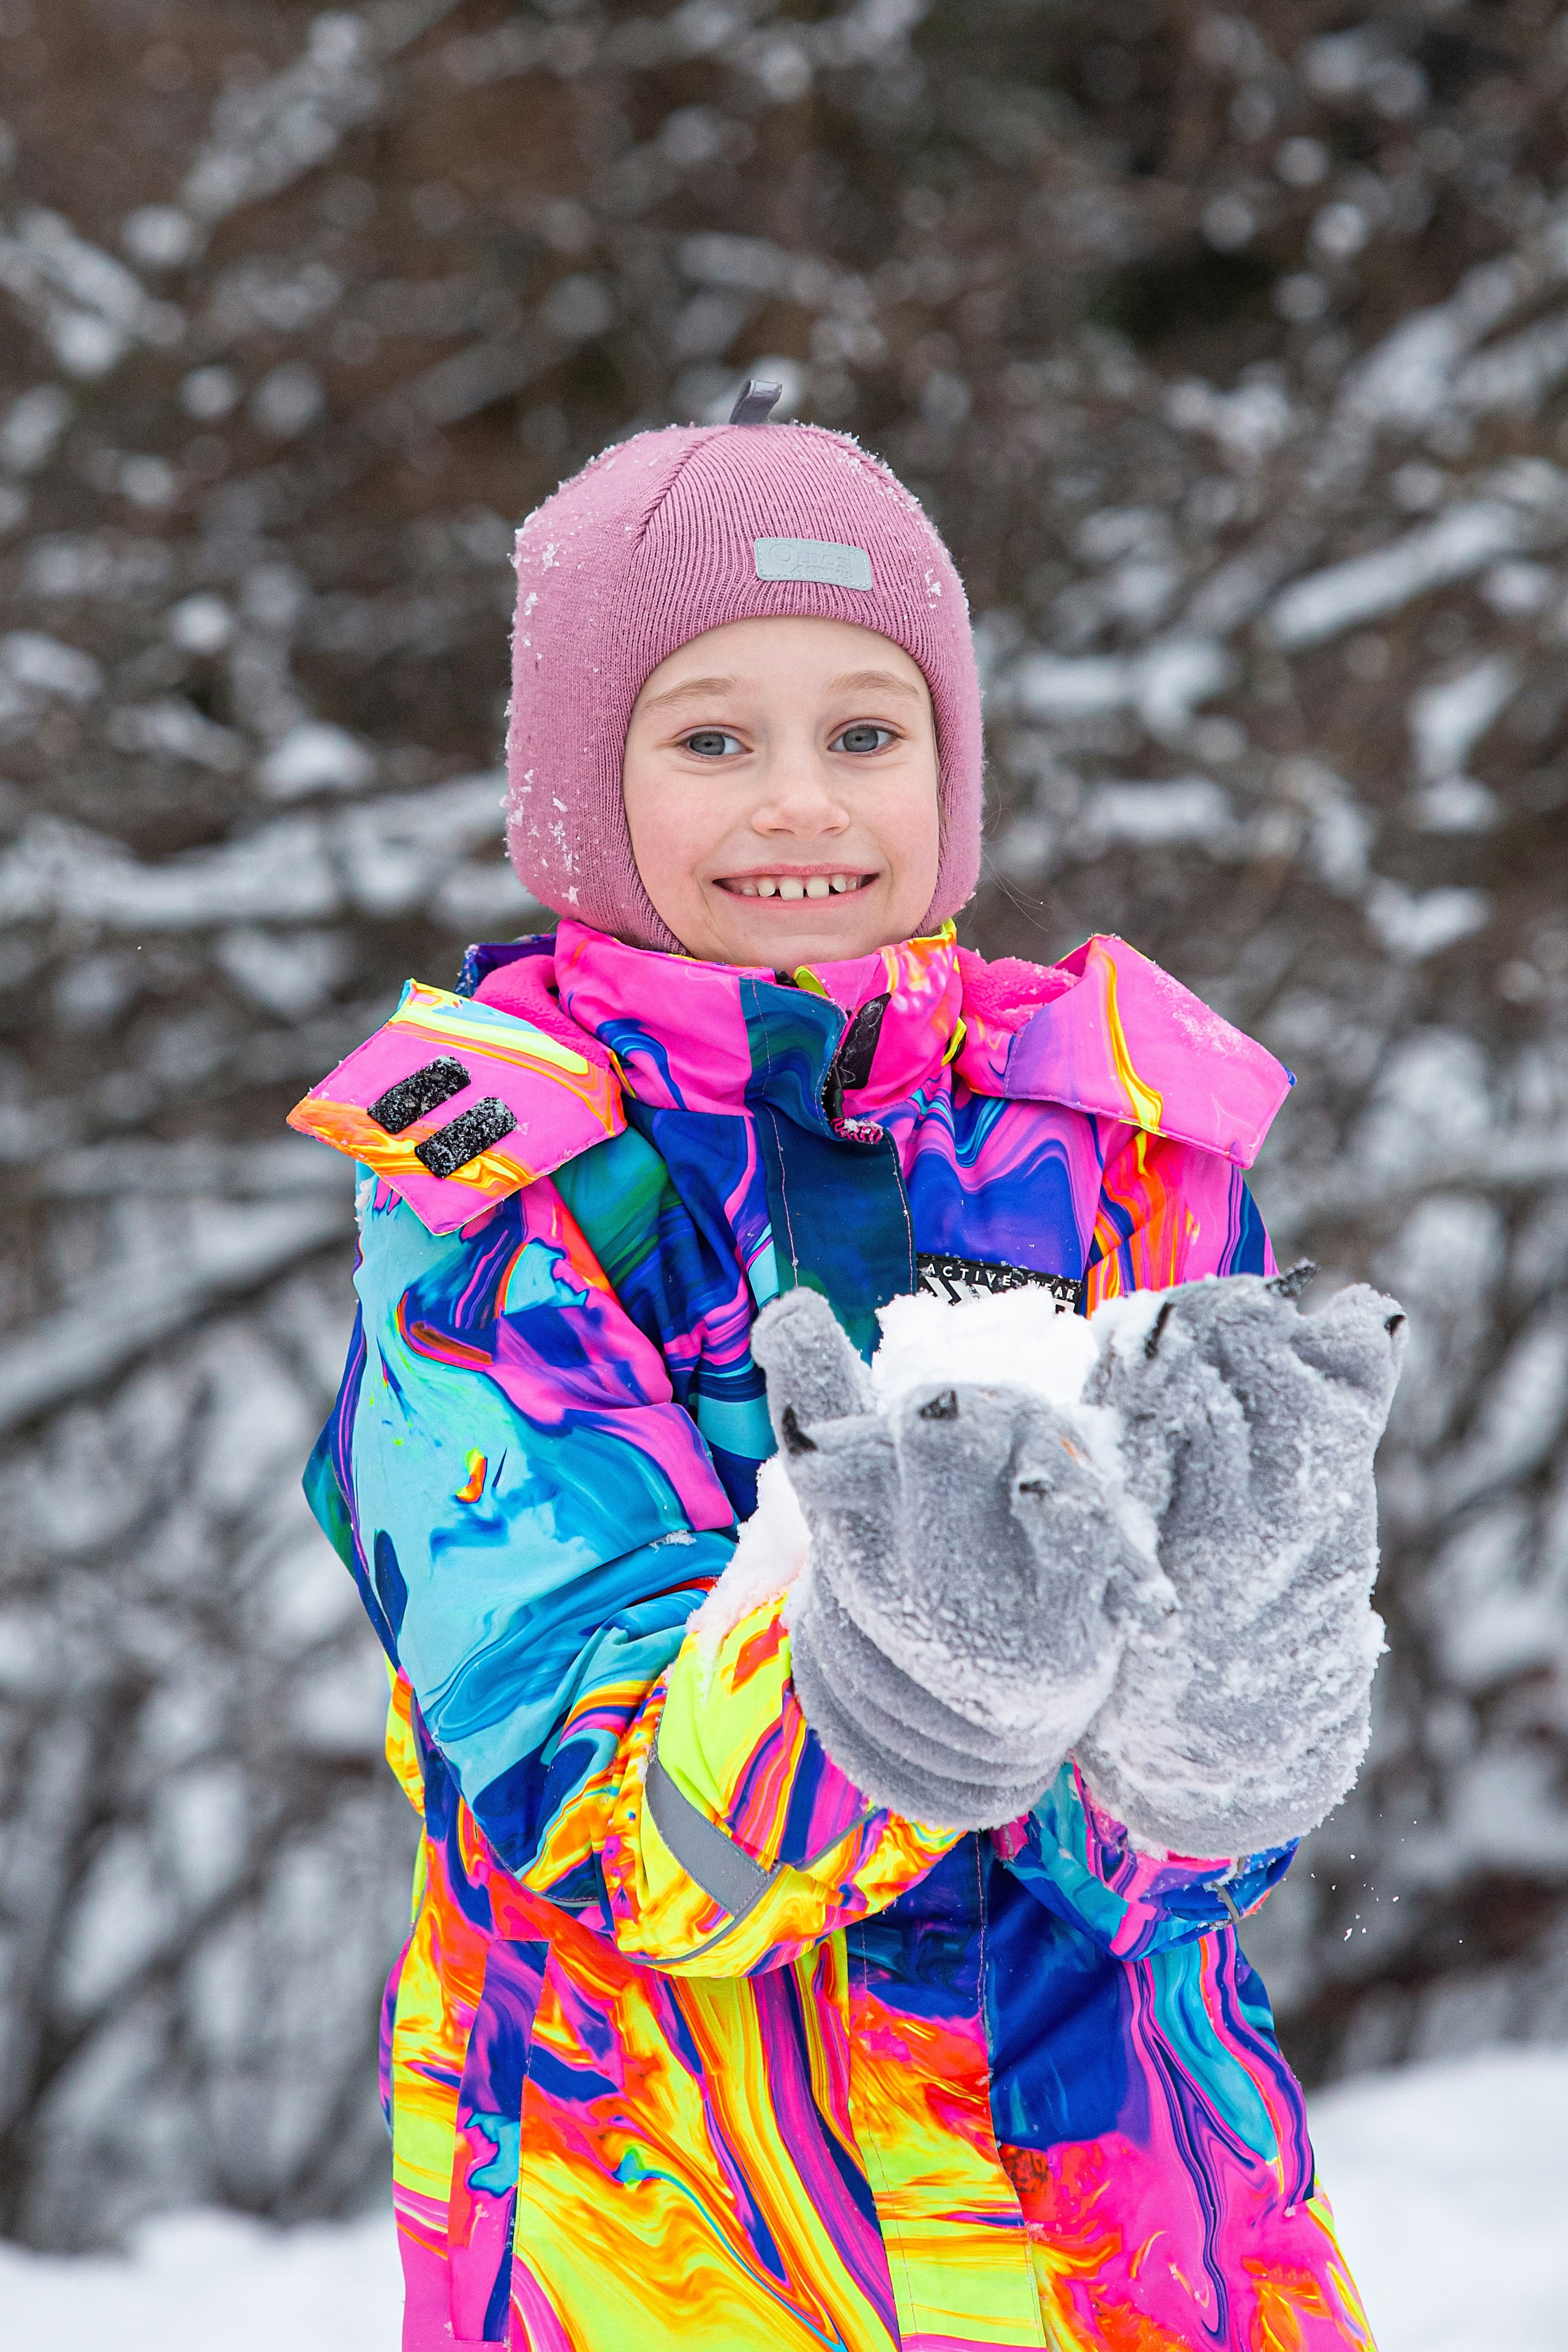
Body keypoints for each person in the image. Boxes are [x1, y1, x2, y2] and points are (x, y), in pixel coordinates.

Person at [292, 399, 1402, 2350]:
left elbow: (1167, 1872)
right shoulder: (504, 1199)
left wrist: (1213, 1736)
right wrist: (897, 1687)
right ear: (579, 787)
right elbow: (592, 1822)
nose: (800, 803)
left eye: (866, 736)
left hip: (1122, 2232)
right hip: (683, 2240)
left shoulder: (1111, 1143)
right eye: (713, 740)